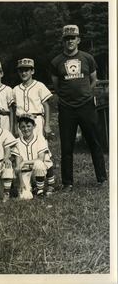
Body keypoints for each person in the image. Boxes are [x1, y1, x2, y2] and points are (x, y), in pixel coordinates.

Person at [50, 24, 108, 191]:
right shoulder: (56, 61)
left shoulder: (87, 58)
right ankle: (68, 183)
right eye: (67, 38)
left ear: (78, 39)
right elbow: (56, 85)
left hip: (86, 107)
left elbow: (93, 80)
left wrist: (87, 97)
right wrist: (67, 99)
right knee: (67, 147)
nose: (70, 41)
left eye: (72, 38)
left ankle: (102, 179)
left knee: (94, 142)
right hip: (66, 109)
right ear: (63, 41)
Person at [12, 114, 55, 199]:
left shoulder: (40, 138)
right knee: (24, 197)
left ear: (34, 126)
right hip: (26, 173)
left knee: (39, 163)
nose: (26, 129)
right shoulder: (17, 142)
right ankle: (31, 188)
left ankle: (40, 190)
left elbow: (41, 159)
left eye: (29, 126)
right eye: (23, 127)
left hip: (39, 171)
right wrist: (21, 183)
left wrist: (24, 162)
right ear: (19, 128)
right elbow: (18, 167)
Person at [12, 58, 53, 137]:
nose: (23, 73)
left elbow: (46, 106)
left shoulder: (39, 86)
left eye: (26, 70)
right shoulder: (15, 90)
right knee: (23, 147)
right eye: (21, 71)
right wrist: (15, 127)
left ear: (32, 71)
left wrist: (47, 125)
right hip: (22, 122)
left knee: (40, 145)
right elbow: (14, 110)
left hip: (37, 119)